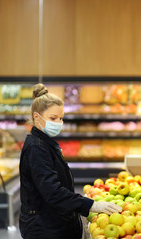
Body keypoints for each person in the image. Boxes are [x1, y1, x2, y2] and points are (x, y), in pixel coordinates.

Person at [19, 84, 122, 239]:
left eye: (61, 118)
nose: (58, 122)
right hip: (44, 228)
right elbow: (52, 192)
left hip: (52, 222)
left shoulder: (44, 143)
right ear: (36, 117)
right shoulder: (37, 148)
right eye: (53, 118)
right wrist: (90, 205)